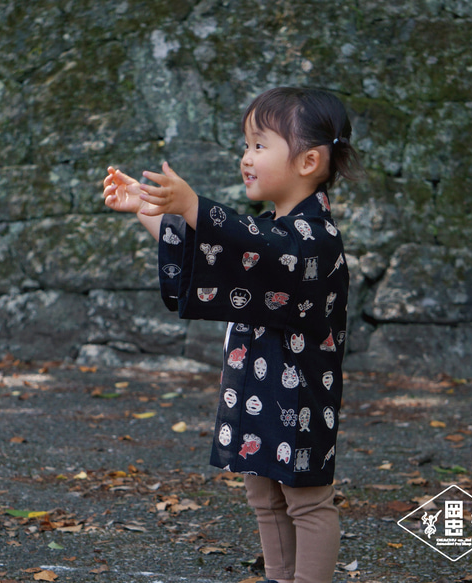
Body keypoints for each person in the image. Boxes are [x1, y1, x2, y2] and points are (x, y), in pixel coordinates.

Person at [102, 86, 363, 583]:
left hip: (300, 393)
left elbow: (254, 245)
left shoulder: (315, 236)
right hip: (259, 387)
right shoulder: (273, 228)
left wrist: (195, 205)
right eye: (246, 146)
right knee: (263, 493)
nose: (246, 158)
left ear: (308, 161)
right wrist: (149, 208)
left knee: (307, 499)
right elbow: (220, 254)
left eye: (260, 145)